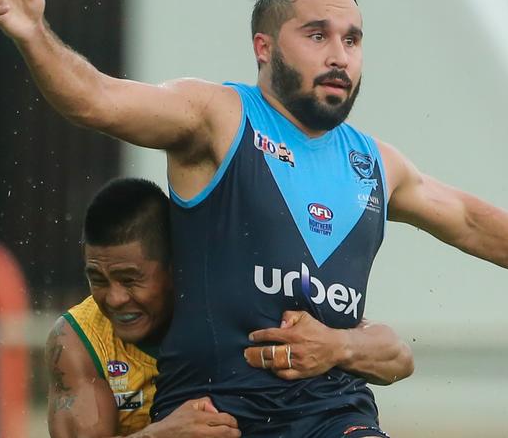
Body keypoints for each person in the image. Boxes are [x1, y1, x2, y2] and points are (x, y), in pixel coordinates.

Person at [0, 0, 508, 437]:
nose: (339, 55)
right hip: (216, 417)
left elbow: (476, 223)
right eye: (317, 35)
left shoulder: (376, 162)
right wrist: (33, 33)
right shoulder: (217, 117)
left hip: (332, 414)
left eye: (352, 38)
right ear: (265, 48)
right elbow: (95, 99)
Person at [46, 178, 413, 438]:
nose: (114, 298)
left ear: (178, 267)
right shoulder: (78, 338)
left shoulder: (234, 291)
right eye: (97, 278)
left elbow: (398, 359)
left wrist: (336, 345)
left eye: (130, 279)